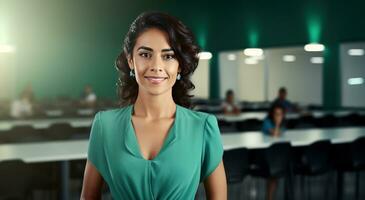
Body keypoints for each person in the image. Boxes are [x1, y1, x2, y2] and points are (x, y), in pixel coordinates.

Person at [81, 12, 227, 199]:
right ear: (131, 60)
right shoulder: (105, 126)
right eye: (145, 54)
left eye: (168, 56)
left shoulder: (204, 127)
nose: (156, 66)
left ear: (180, 65)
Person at [261, 103, 286, 200]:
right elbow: (275, 134)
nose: (278, 116)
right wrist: (277, 124)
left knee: (276, 170)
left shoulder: (283, 123)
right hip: (264, 155)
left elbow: (281, 133)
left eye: (280, 114)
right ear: (272, 114)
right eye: (276, 114)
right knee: (273, 172)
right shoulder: (267, 122)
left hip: (277, 154)